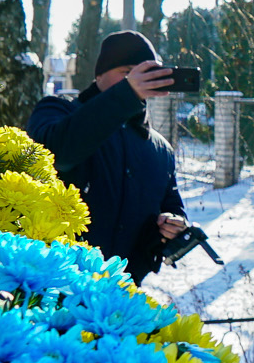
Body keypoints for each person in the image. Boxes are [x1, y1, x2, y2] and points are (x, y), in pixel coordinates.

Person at [28, 30, 187, 281]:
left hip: (121, 297)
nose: (135, 80)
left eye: (144, 73)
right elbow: (57, 154)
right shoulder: (56, 110)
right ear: (99, 74)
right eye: (127, 72)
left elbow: (172, 207)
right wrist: (126, 94)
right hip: (54, 287)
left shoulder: (160, 148)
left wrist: (174, 226)